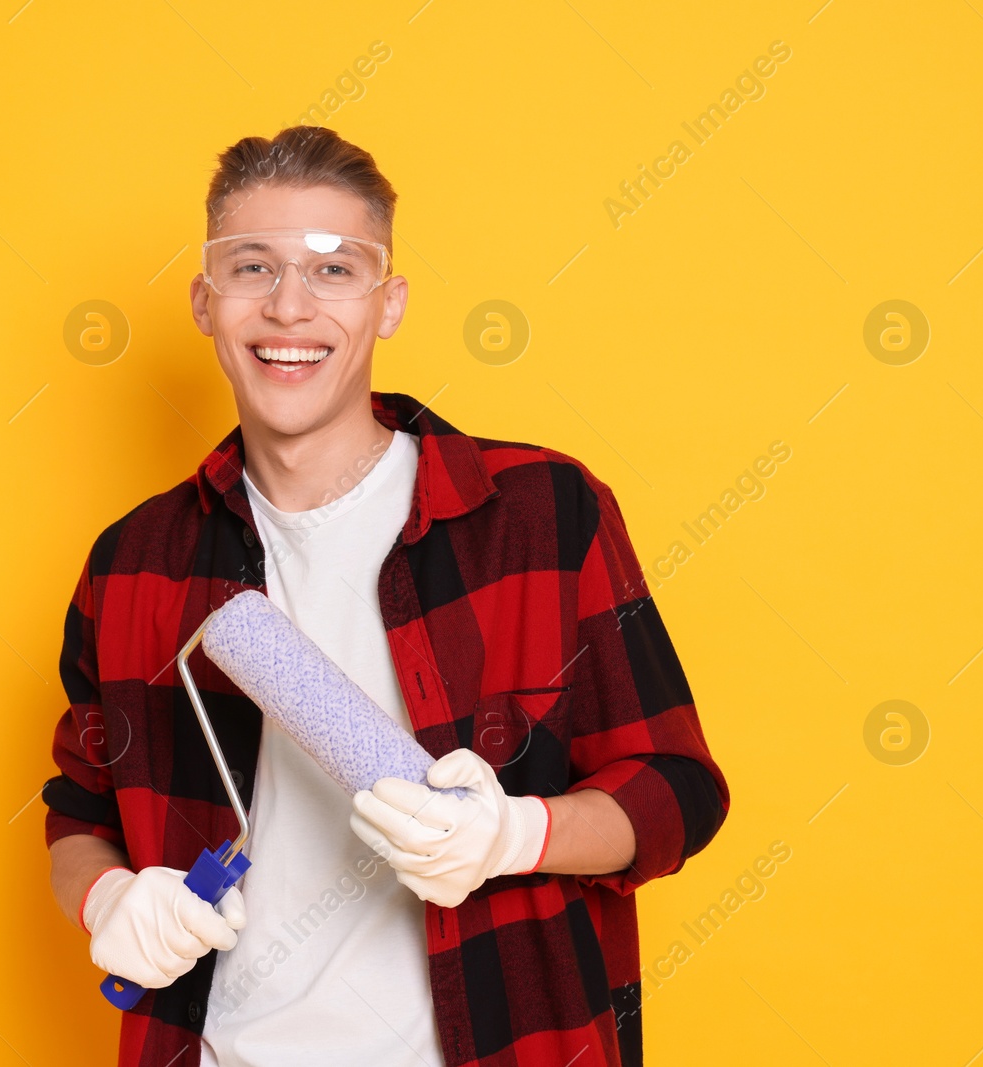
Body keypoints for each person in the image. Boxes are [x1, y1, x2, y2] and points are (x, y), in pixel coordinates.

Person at [43, 125, 729, 1067]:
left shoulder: (540, 513)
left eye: (333, 271)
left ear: (389, 303)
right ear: (206, 303)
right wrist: (106, 898)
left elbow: (678, 791)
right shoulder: (135, 563)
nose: (289, 307)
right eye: (253, 267)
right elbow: (78, 814)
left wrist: (516, 834)